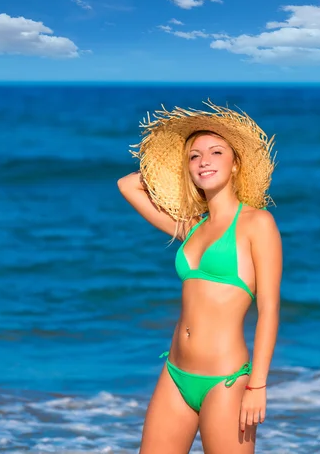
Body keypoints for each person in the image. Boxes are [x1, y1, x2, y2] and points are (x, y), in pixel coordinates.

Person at [117, 101, 282, 454]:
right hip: (175, 373)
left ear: (236, 164)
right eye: (194, 157)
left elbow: (268, 310)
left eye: (216, 152)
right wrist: (170, 172)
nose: (203, 161)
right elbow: (128, 184)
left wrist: (257, 386)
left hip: (225, 380)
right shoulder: (192, 227)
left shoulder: (257, 223)